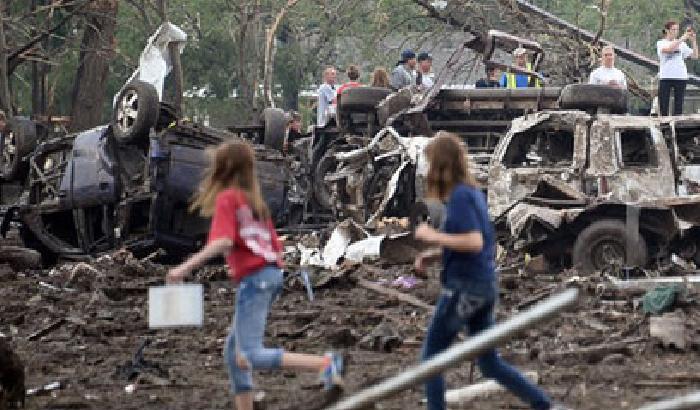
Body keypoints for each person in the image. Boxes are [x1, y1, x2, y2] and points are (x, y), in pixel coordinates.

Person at [166, 141, 343, 410]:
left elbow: (224, 241)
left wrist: (184, 268)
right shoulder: (255, 204)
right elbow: (274, 246)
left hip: (256, 280)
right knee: (233, 353)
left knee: (249, 353)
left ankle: (324, 363)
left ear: (222, 168)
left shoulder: (228, 199)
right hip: (271, 276)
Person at [414, 132, 558, 410]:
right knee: (489, 364)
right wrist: (432, 256)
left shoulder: (459, 197)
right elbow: (476, 244)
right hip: (484, 287)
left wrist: (432, 236)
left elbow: (473, 241)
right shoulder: (473, 194)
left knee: (432, 360)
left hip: (464, 289)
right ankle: (543, 405)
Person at [657, 21, 699, 116]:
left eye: (677, 29)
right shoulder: (661, 43)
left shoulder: (682, 45)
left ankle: (678, 126)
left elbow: (695, 56)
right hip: (666, 77)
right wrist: (683, 38)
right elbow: (669, 50)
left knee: (678, 105)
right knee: (663, 104)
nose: (676, 31)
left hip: (680, 76)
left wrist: (693, 41)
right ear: (667, 30)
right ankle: (664, 125)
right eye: (673, 29)